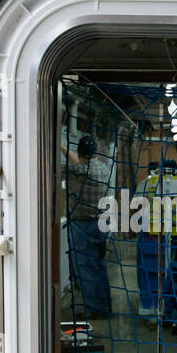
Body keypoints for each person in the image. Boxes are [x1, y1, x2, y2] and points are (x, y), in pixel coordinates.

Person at [63, 133, 113, 318]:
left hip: (83, 225)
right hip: (102, 223)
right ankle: (105, 304)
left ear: (79, 151)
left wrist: (59, 147)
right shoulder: (104, 168)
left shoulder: (79, 170)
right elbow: (81, 163)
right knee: (98, 265)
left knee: (85, 267)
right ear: (95, 152)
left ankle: (95, 309)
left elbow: (61, 168)